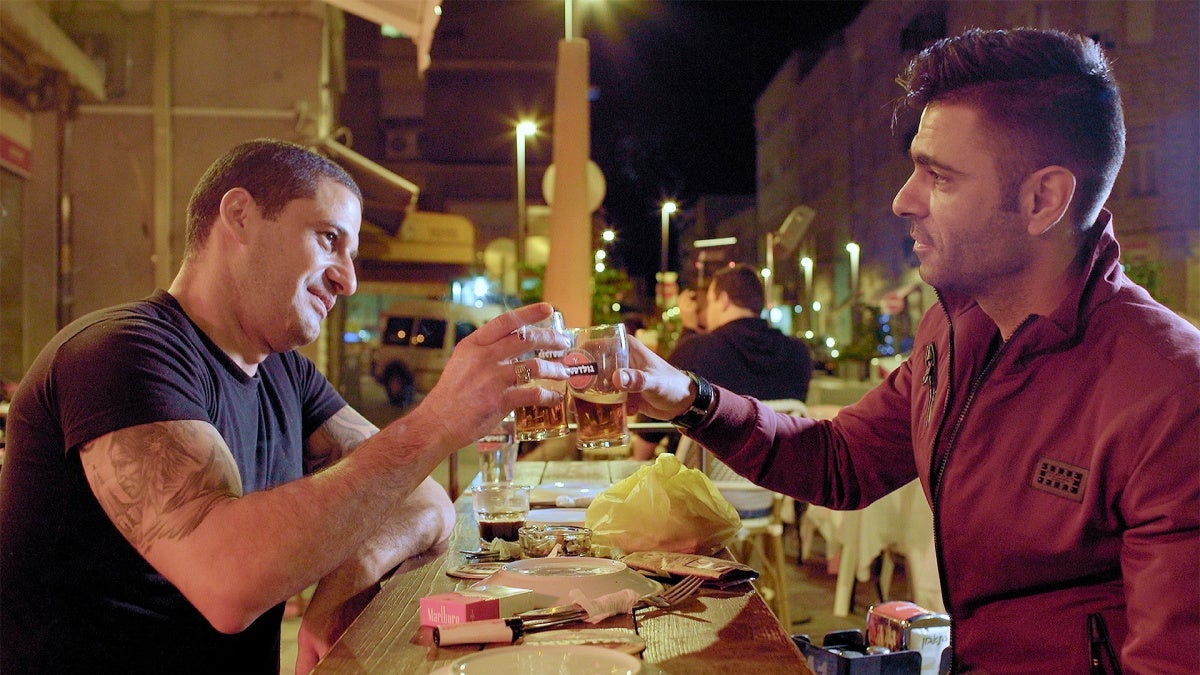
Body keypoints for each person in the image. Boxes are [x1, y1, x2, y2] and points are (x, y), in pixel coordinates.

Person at [615, 28, 1199, 673]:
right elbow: (841, 462)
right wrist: (686, 396)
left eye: (939, 177)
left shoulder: (1172, 392)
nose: (903, 200)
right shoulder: (954, 329)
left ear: (1043, 199)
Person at [0, 139, 569, 674]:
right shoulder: (121, 353)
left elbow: (423, 499)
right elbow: (228, 583)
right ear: (239, 216)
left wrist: (347, 576)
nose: (348, 280)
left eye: (351, 253)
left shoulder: (284, 373)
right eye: (328, 238)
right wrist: (438, 422)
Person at [632, 264, 812, 460]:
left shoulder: (696, 349)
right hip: (771, 475)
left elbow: (646, 441)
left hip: (699, 476)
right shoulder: (799, 352)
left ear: (724, 300)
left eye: (710, 302)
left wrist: (688, 332)